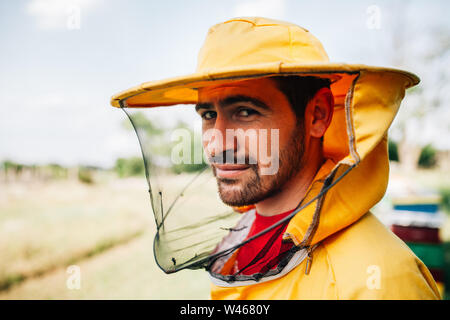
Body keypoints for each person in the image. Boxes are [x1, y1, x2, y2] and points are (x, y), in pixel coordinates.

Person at [111, 17, 441, 299]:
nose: (216, 143)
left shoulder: (382, 281)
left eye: (245, 111)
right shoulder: (240, 236)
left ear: (317, 115)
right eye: (209, 114)